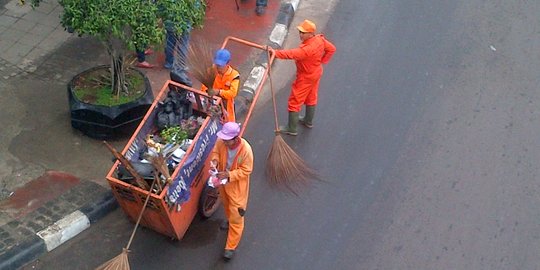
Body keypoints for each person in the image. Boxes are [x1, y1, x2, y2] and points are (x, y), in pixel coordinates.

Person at [271, 19, 336, 135]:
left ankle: (292, 128)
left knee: (294, 101)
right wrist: (322, 61)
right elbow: (331, 49)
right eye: (300, 32)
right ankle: (308, 120)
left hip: (305, 77)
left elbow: (290, 54)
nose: (300, 34)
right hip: (316, 72)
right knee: (311, 96)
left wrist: (274, 53)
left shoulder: (306, 50)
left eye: (303, 33)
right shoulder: (320, 40)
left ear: (311, 34)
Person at [209, 122, 254, 261]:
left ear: (235, 138)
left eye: (227, 140)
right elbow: (216, 150)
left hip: (236, 187)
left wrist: (229, 175)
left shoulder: (246, 150)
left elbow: (246, 170)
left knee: (236, 215)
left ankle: (231, 246)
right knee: (227, 205)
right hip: (223, 183)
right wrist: (215, 161)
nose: (224, 142)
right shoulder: (222, 142)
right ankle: (229, 221)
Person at [207, 49, 240, 122]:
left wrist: (218, 92)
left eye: (220, 65)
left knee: (228, 126)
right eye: (217, 65)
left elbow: (232, 93)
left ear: (228, 63)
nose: (218, 67)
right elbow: (204, 87)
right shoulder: (211, 70)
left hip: (227, 106)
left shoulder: (234, 75)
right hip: (212, 104)